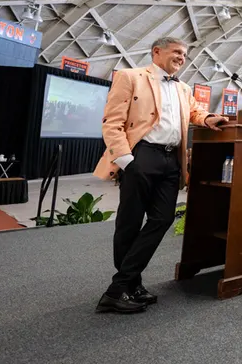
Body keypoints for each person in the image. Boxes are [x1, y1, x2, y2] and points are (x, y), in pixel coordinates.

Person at [95, 36, 228, 314]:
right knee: (130, 223)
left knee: (163, 218)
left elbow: (194, 111)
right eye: (177, 52)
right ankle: (130, 286)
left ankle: (121, 286)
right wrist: (127, 161)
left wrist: (207, 119)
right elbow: (112, 121)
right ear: (157, 51)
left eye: (185, 54)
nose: (182, 57)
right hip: (140, 155)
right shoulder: (130, 77)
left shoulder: (183, 87)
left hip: (171, 160)